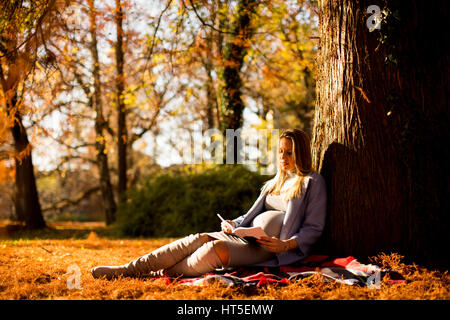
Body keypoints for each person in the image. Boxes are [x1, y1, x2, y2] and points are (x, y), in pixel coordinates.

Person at [91, 129, 327, 280]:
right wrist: (232, 224)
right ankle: (128, 269)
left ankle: (146, 273)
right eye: (280, 152)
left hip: (271, 250)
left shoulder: (311, 182)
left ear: (301, 153)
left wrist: (284, 245)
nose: (283, 158)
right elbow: (250, 214)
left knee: (213, 250)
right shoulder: (273, 182)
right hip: (245, 237)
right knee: (199, 238)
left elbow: (313, 228)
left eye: (290, 152)